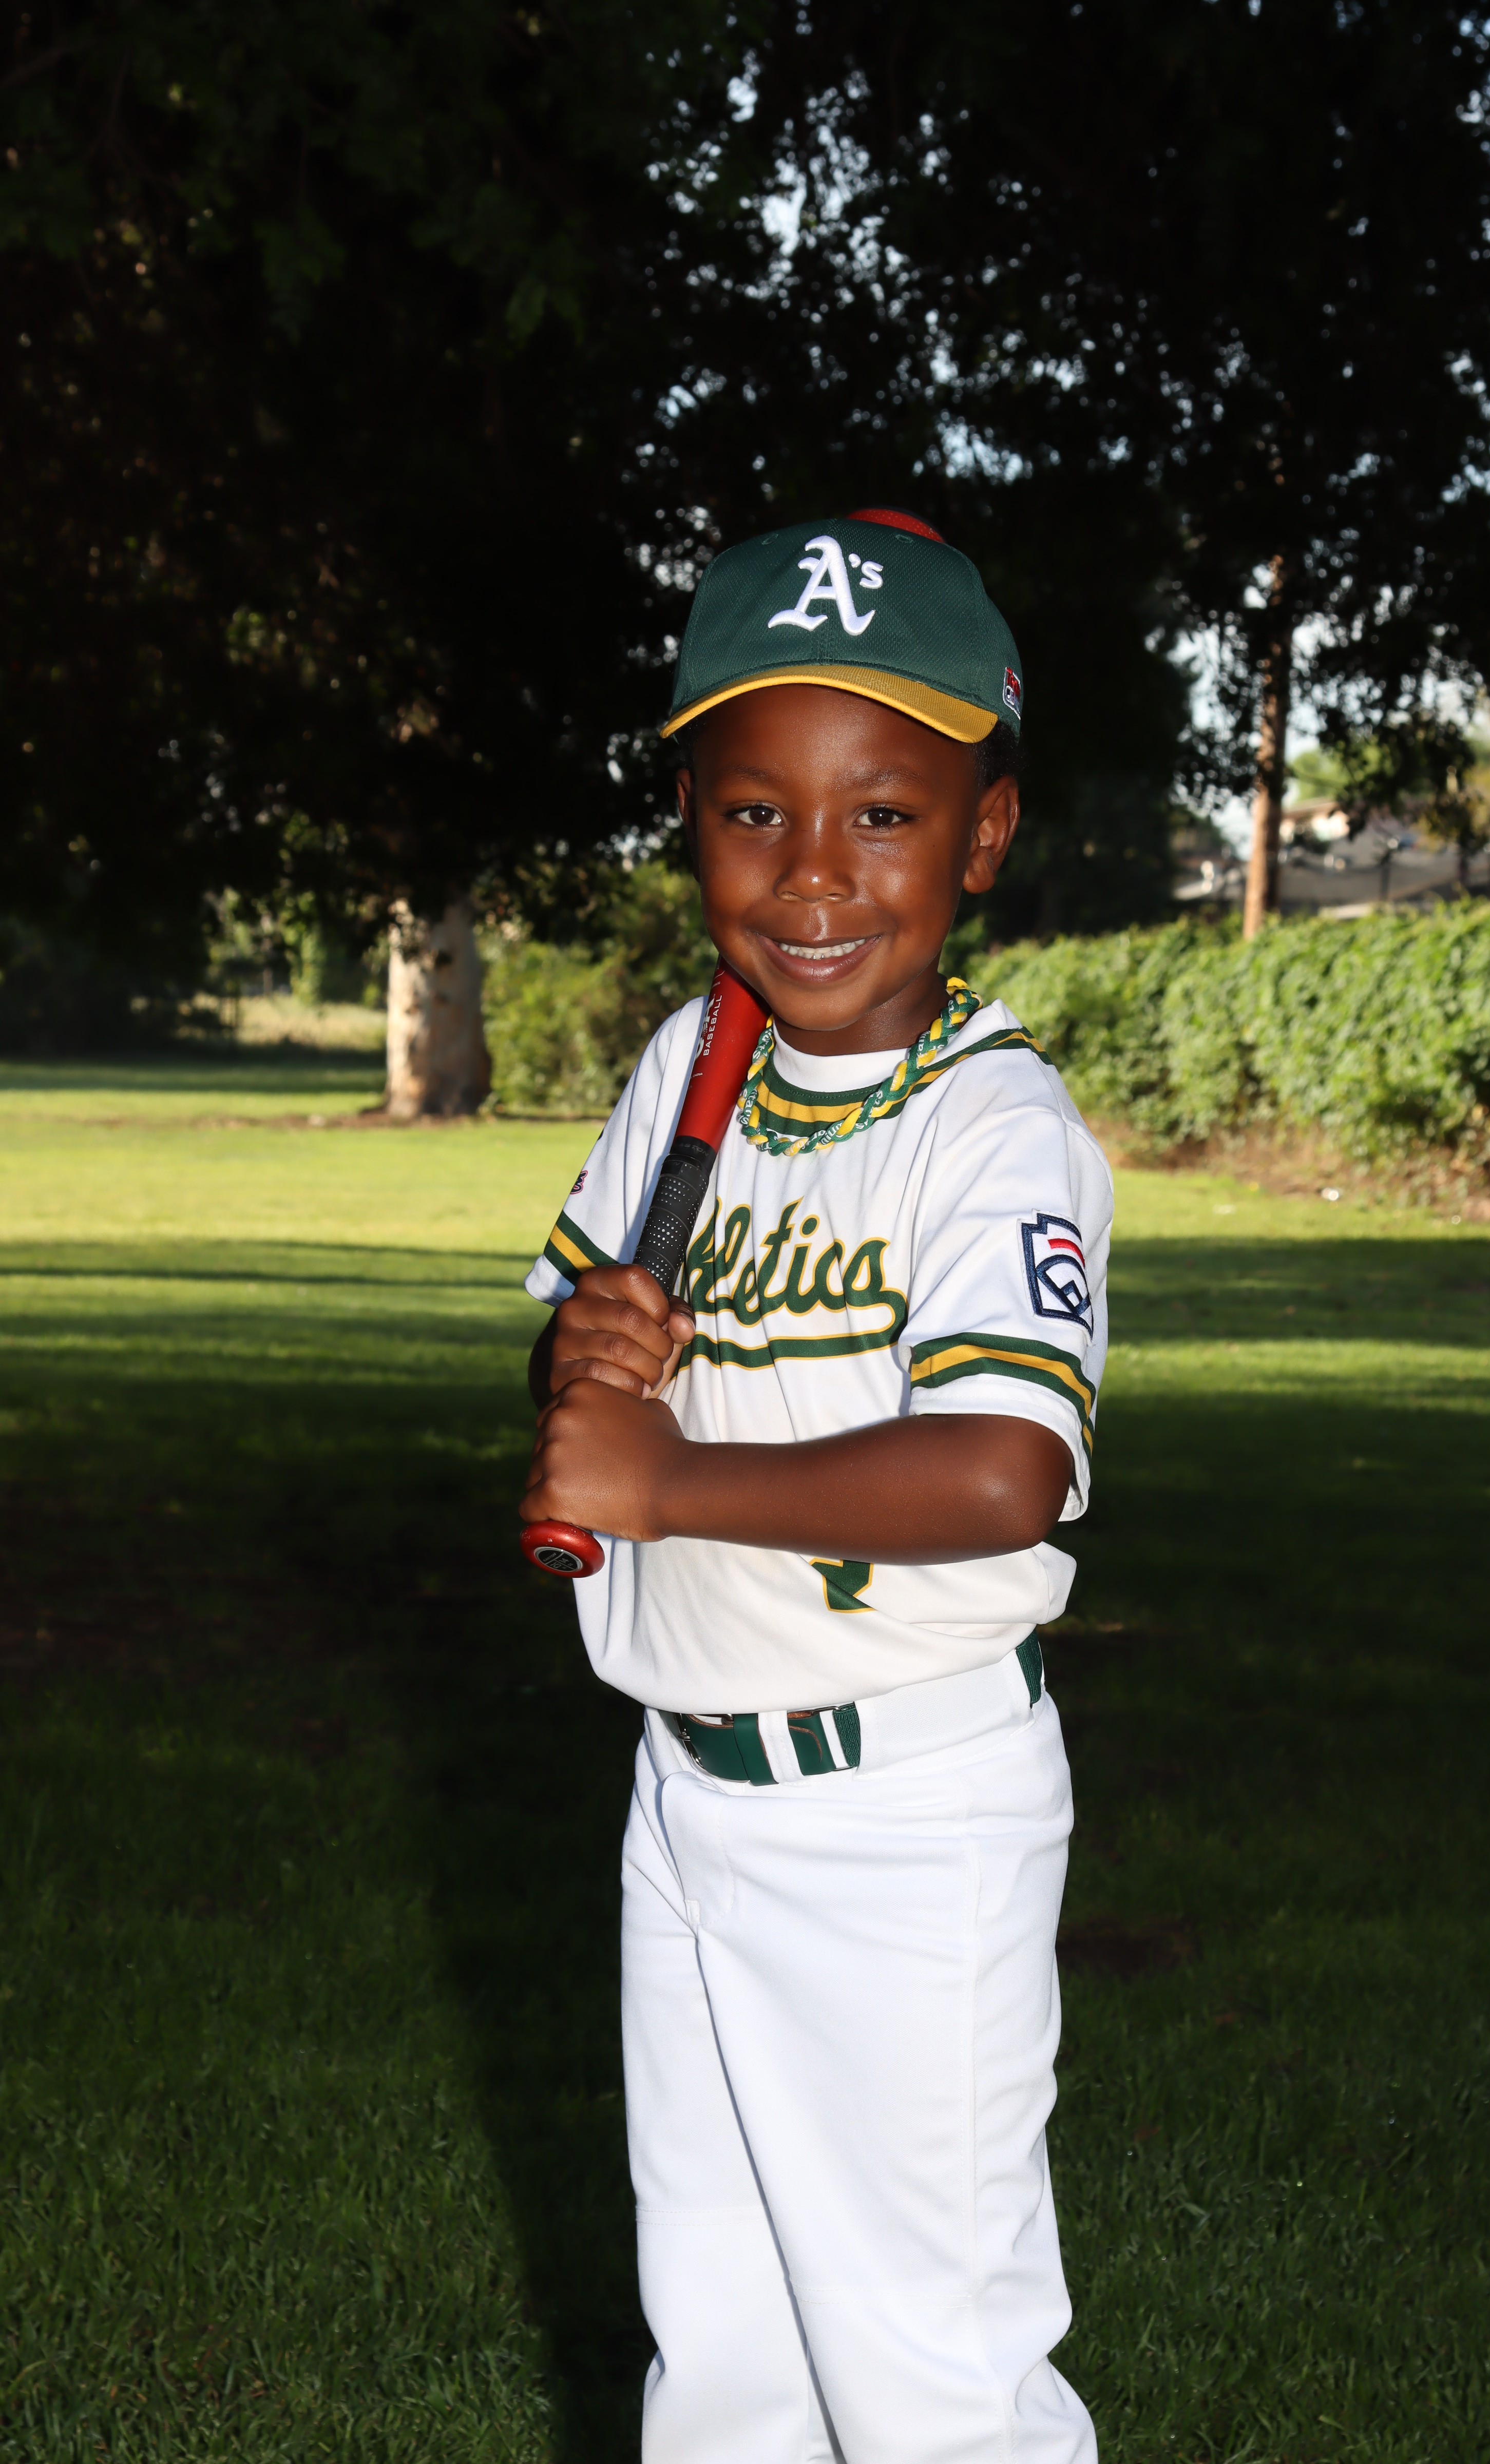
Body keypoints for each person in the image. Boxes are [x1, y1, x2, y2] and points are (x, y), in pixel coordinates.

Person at [520, 508, 1112, 2463]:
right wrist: (587, 1363)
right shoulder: (691, 1062)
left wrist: (670, 1478)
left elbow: (1006, 1469)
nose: (815, 876)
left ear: (985, 836)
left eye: (885, 816)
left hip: (906, 1815)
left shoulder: (996, 1123)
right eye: (755, 813)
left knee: (930, 2374)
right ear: (692, 824)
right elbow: (588, 1364)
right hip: (689, 1788)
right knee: (726, 2357)